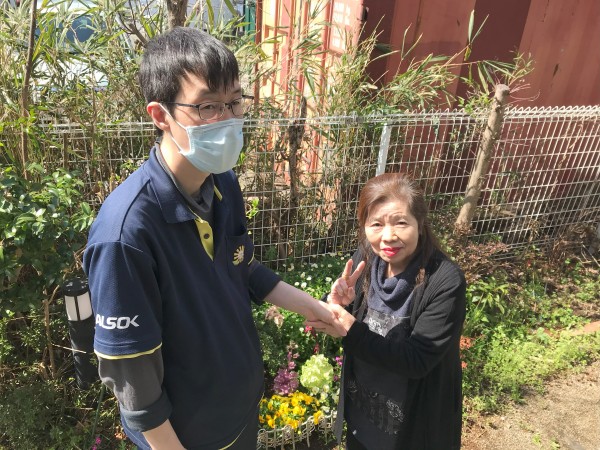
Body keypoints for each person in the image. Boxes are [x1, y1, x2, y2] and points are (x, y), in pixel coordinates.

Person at [83, 27, 344, 450]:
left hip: (240, 417)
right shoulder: (126, 234)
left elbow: (242, 267)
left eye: (234, 102)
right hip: (188, 438)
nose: (227, 119)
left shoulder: (221, 182)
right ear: (161, 115)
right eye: (208, 106)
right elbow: (133, 377)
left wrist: (316, 309)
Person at [308, 172, 466, 450]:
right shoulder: (367, 258)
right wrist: (335, 302)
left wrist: (350, 330)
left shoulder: (445, 281)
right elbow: (338, 318)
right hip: (363, 414)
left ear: (420, 223)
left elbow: (417, 360)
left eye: (401, 222)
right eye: (376, 224)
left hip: (413, 429)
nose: (388, 237)